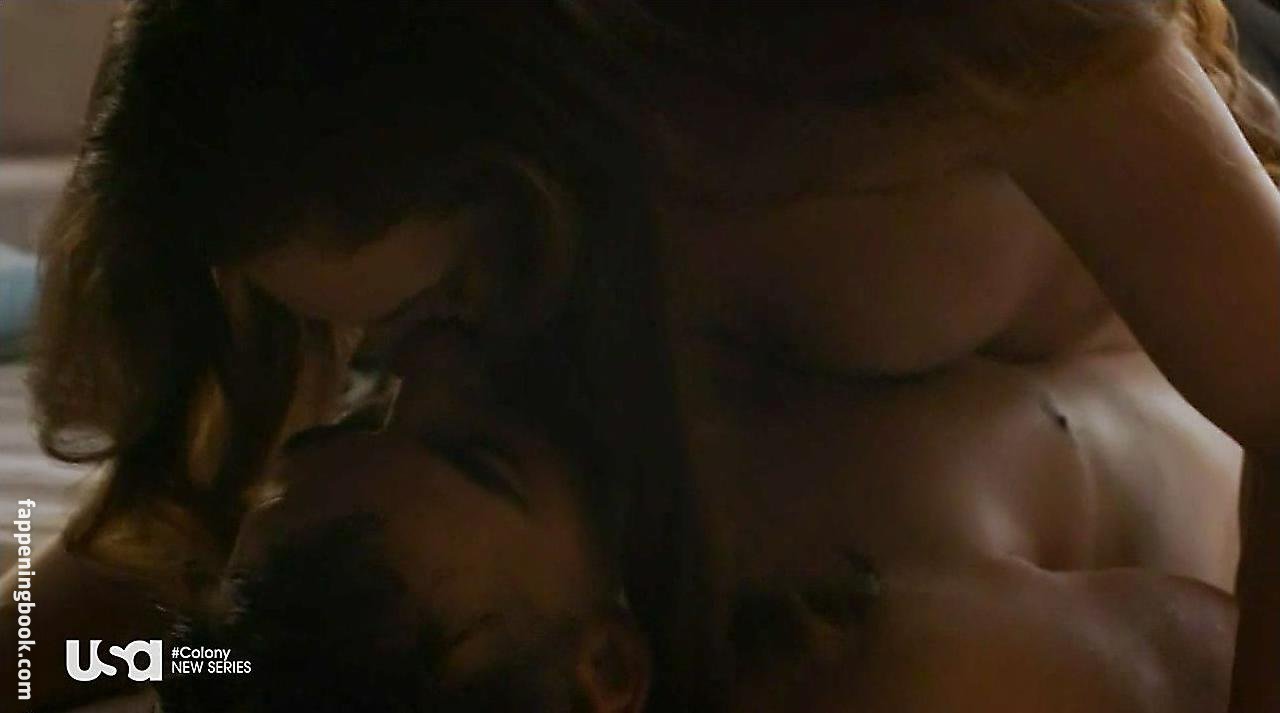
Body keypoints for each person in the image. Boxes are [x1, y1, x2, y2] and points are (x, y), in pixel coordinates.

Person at [7, 1, 1280, 710]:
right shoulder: (706, 592)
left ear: (520, 141)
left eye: (435, 303)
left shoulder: (907, 44)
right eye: (371, 363)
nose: (428, 373)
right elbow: (188, 588)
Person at [129, 334, 1232, 713]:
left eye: (356, 416)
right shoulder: (911, 660)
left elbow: (149, 638)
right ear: (609, 664)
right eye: (481, 459)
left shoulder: (593, 430)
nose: (430, 364)